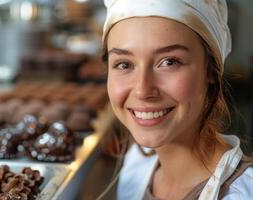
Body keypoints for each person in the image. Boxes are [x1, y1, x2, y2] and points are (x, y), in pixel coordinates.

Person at [101, 0, 253, 199]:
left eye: (169, 62)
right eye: (124, 64)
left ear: (211, 70)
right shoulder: (136, 164)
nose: (143, 90)